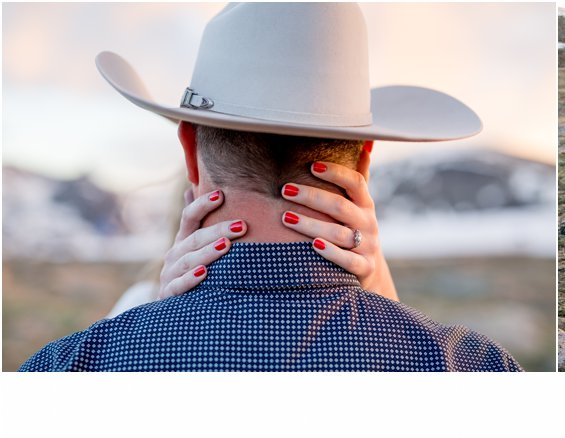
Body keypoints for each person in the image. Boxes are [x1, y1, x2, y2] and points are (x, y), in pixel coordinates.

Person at [19, 3, 521, 371]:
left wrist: (154, 316)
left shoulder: (74, 364)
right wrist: (390, 306)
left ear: (190, 149)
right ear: (364, 161)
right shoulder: (473, 365)